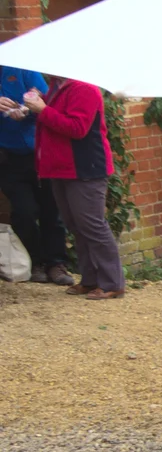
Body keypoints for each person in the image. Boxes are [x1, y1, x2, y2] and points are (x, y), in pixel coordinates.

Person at [21, 77, 125, 298]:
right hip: (62, 168)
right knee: (76, 226)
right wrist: (35, 106)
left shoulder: (84, 88)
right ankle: (90, 280)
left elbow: (78, 128)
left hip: (85, 168)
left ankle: (112, 283)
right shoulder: (58, 87)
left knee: (93, 226)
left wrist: (43, 109)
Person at [0, 65, 71, 284]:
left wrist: (26, 109)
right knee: (24, 211)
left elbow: (48, 101)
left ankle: (56, 263)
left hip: (40, 152)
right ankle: (35, 261)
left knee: (52, 209)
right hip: (7, 156)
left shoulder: (22, 69)